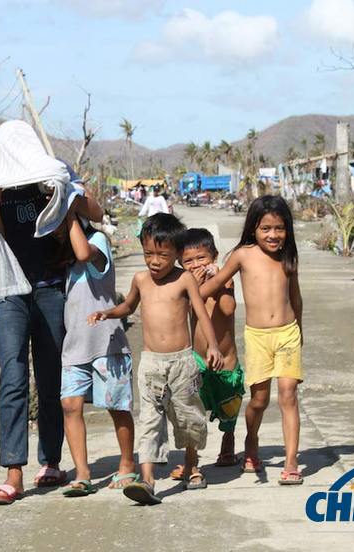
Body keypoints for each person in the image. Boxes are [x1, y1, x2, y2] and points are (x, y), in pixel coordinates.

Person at [0, 120, 104, 506]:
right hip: (7, 294)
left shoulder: (55, 172)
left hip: (51, 288)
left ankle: (50, 461)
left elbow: (96, 213)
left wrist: (69, 190)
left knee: (51, 375)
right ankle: (13, 473)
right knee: (13, 377)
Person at [89, 213, 222, 505]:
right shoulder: (140, 280)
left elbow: (200, 312)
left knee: (187, 417)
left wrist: (212, 346)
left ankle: (193, 465)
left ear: (176, 253)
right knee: (150, 419)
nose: (155, 261)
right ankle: (147, 481)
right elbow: (127, 306)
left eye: (163, 255)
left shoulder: (184, 279)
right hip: (150, 363)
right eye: (149, 253)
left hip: (182, 362)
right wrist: (108, 313)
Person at [200, 195, 304, 485]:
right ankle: (252, 442)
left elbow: (295, 297)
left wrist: (301, 330)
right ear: (253, 229)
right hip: (258, 337)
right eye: (266, 228)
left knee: (288, 395)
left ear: (288, 230)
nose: (273, 235)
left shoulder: (289, 255)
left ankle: (292, 461)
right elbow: (217, 282)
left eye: (279, 228)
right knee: (259, 400)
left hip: (287, 333)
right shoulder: (242, 255)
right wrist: (189, 296)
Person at [59, 201, 136, 497]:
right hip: (75, 346)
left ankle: (127, 464)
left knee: (117, 406)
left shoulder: (98, 241)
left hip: (107, 342)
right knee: (69, 406)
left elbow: (82, 252)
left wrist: (67, 214)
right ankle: (82, 473)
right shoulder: (64, 261)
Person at [169, 228, 245, 480]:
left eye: (201, 258)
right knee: (191, 408)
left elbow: (228, 308)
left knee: (229, 409)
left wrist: (220, 282)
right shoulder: (186, 285)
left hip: (226, 361)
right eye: (188, 261)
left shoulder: (226, 281)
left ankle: (228, 440)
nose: (195, 265)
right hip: (198, 360)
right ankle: (191, 459)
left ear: (214, 256)